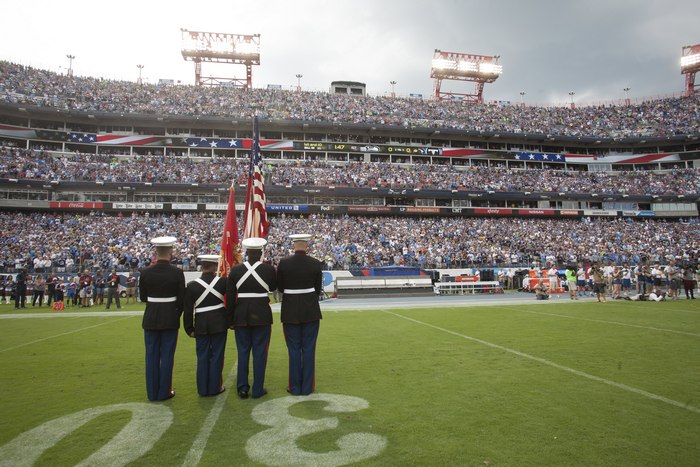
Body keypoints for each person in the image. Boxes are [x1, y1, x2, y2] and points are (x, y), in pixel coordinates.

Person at [226, 238, 277, 400]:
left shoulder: (236, 270)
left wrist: (230, 320)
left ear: (247, 253)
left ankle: (242, 388)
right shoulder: (268, 269)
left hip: (241, 314)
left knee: (243, 352)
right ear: (261, 253)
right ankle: (257, 389)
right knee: (260, 353)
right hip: (261, 314)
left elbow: (230, 296)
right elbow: (273, 287)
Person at [139, 236, 185, 402]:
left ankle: (152, 393)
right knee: (167, 356)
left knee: (151, 356)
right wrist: (175, 313)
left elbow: (143, 297)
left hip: (151, 316)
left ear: (156, 252)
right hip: (170, 316)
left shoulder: (145, 272)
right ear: (170, 251)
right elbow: (181, 300)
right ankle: (164, 391)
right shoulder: (177, 272)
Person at [277, 233, 323, 396]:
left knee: (294, 350)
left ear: (294, 244)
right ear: (307, 245)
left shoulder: (284, 263)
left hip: (290, 310)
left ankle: (295, 387)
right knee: (309, 349)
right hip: (310, 309)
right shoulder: (315, 263)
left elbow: (280, 287)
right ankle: (307, 387)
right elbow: (317, 289)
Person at [184, 254, 229, 397]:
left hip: (201, 325)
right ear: (215, 267)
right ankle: (215, 387)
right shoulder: (223, 282)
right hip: (219, 323)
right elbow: (230, 302)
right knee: (217, 356)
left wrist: (189, 329)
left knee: (202, 357)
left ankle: (203, 389)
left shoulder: (192, 285)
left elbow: (188, 310)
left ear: (201, 267)